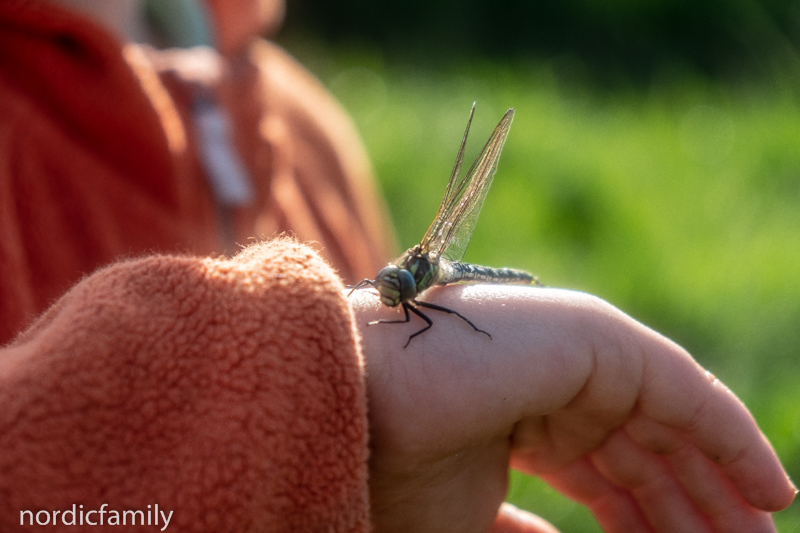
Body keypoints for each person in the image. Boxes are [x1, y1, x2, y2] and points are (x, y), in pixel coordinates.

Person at [0, 1, 795, 532]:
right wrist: (339, 389)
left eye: (392, 289)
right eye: (386, 291)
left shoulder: (308, 133)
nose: (383, 295)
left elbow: (421, 334)